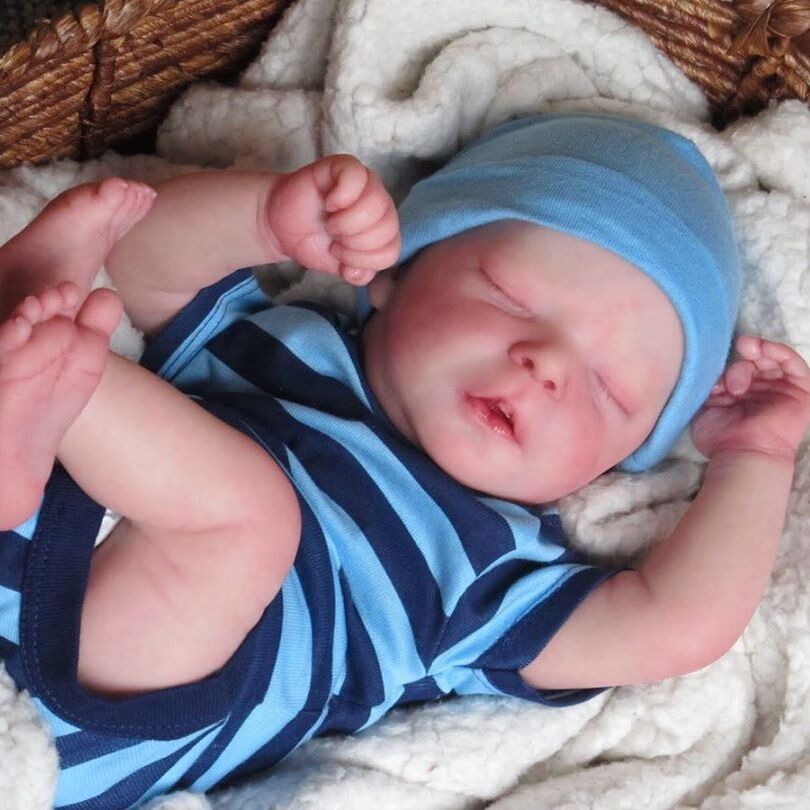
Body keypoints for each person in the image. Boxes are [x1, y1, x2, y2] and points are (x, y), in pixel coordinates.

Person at [0, 112, 807, 808]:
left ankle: (40, 364)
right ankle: (38, 383)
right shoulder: (282, 338)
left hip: (104, 707)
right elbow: (142, 262)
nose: (548, 365)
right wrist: (267, 219)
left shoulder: (497, 570)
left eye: (608, 389)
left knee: (251, 520)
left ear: (612, 466)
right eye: (512, 297)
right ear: (394, 273)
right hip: (48, 529)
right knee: (153, 414)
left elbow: (672, 626)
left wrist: (757, 453)